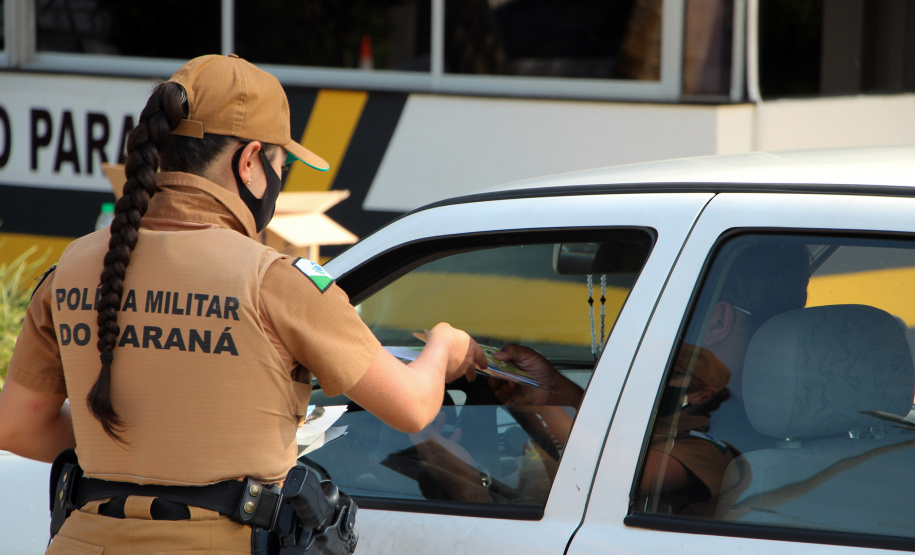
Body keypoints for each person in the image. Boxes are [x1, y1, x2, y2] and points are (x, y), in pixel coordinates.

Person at [0, 54, 487, 554]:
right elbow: (411, 406)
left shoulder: (71, 269)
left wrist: (136, 453)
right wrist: (447, 345)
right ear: (250, 161)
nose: (280, 180)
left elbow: (17, 426)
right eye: (283, 165)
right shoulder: (275, 280)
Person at [486, 241, 811, 509]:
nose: (658, 330)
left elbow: (614, 471)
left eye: (674, 310)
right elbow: (619, 439)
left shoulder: (725, 425)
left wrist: (434, 444)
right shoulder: (770, 414)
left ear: (716, 322)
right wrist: (551, 389)